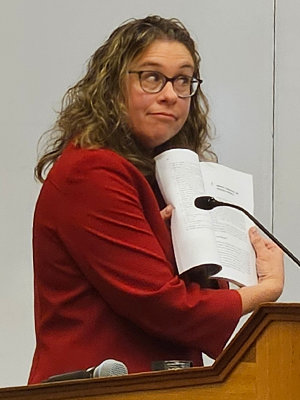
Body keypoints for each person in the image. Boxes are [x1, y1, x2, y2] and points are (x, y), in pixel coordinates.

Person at [28, 15, 284, 384]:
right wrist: (263, 292)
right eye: (152, 77)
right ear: (113, 85)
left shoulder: (155, 176)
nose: (170, 94)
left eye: (183, 80)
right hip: (99, 387)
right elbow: (164, 305)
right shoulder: (93, 170)